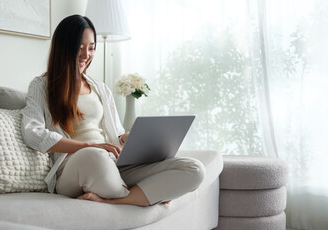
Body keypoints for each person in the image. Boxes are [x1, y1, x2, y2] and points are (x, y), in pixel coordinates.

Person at [21, 15, 206, 206]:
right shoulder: (41, 86)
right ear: (64, 47)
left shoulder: (101, 88)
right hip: (76, 165)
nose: (86, 55)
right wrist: (87, 147)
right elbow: (32, 133)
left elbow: (115, 134)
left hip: (112, 163)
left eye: (91, 48)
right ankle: (144, 195)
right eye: (80, 47)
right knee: (94, 157)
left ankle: (109, 199)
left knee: (194, 169)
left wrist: (128, 138)